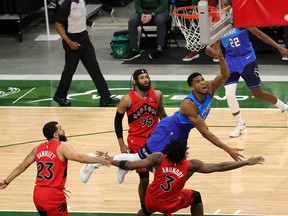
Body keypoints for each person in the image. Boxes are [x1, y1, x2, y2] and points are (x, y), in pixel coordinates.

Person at [107, 41, 245, 184]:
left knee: (178, 167)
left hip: (182, 134)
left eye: (202, 79)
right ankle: (106, 161)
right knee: (140, 159)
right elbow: (205, 132)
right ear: (192, 87)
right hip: (168, 130)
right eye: (198, 81)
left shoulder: (210, 88)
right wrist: (228, 149)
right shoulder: (188, 105)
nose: (203, 82)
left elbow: (225, 74)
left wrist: (220, 56)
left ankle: (165, 189)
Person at [80, 69, 167, 212]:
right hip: (136, 140)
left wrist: (170, 133)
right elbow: (117, 121)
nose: (146, 80)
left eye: (147, 77)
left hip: (155, 139)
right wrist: (121, 143)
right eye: (142, 78)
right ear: (135, 81)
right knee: (144, 177)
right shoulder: (127, 99)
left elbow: (162, 115)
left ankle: (118, 164)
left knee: (161, 171)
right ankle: (144, 207)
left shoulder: (157, 95)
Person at [111, 140, 265, 215]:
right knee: (196, 196)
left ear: (167, 151)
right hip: (169, 205)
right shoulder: (191, 165)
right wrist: (245, 162)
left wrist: (109, 160)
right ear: (185, 153)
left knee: (146, 209)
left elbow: (130, 165)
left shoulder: (158, 158)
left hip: (150, 199)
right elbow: (219, 167)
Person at [0, 121, 111, 215]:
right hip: (53, 197)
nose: (63, 130)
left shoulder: (37, 148)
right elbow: (78, 157)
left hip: (38, 194)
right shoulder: (62, 148)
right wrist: (98, 160)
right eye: (60, 129)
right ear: (56, 135)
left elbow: (22, 166)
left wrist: (6, 181)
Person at [221, 25, 288, 138]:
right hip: (230, 61)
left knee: (257, 92)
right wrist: (213, 51)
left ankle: (284, 107)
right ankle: (240, 125)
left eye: (224, 5)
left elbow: (260, 35)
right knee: (229, 94)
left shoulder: (241, 22)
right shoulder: (218, 27)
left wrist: (279, 47)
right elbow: (215, 47)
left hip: (247, 59)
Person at [53, 0, 120, 107]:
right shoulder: (66, 5)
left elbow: (80, 19)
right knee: (69, 71)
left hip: (84, 39)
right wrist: (69, 42)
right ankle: (60, 96)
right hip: (72, 41)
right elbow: (57, 25)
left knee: (95, 69)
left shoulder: (82, 2)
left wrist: (85, 32)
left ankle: (105, 97)